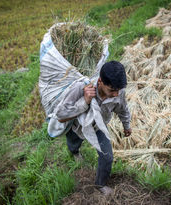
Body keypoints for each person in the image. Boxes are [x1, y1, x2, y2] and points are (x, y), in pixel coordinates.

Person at [56, 61, 132, 195]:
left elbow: (123, 109)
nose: (116, 94)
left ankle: (100, 184)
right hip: (77, 126)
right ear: (100, 81)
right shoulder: (81, 88)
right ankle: (75, 152)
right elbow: (61, 116)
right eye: (112, 90)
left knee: (107, 157)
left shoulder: (119, 92)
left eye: (118, 90)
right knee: (74, 143)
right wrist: (85, 101)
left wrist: (127, 125)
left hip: (98, 126)